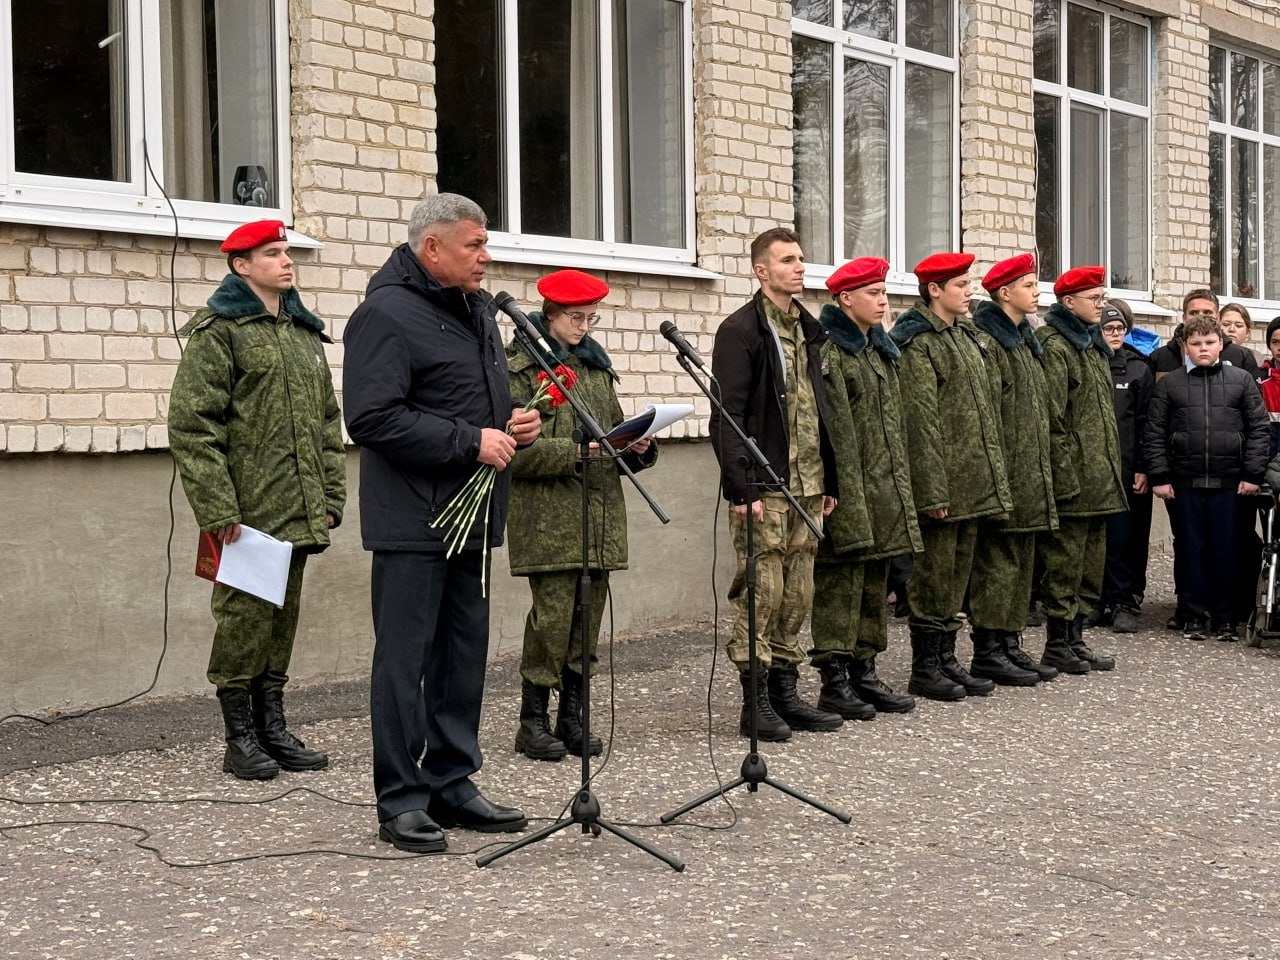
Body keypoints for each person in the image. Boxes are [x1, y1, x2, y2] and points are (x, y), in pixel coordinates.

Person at [343, 194, 541, 853]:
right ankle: (401, 799)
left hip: (475, 516)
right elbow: (370, 419)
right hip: (413, 520)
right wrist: (469, 441)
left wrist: (515, 422)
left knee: (463, 656)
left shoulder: (477, 312)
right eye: (474, 247)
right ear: (433, 249)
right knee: (404, 663)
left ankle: (452, 781)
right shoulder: (385, 315)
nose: (487, 258)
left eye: (486, 247)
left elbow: (472, 401)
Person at [168, 219, 345, 781]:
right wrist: (219, 509)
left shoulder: (300, 334)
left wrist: (331, 495)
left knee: (282, 618)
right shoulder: (220, 333)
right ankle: (238, 736)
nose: (286, 261)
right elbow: (193, 426)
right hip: (245, 514)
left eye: (286, 251)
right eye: (272, 254)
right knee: (243, 620)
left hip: (297, 506)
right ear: (241, 266)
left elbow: (326, 422)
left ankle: (272, 726)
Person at [506, 269, 657, 762]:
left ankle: (573, 715)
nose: (584, 327)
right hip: (549, 521)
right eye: (575, 318)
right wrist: (579, 452)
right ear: (549, 315)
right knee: (550, 622)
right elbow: (513, 453)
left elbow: (611, 435)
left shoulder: (594, 371)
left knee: (586, 622)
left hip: (598, 515)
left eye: (590, 318)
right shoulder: (519, 372)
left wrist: (636, 445)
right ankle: (533, 722)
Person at [710, 227, 842, 742]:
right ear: (761, 271)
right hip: (764, 486)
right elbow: (728, 415)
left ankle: (786, 693)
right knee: (762, 591)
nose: (799, 267)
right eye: (787, 260)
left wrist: (827, 475)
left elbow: (817, 410)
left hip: (807, 485)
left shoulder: (808, 330)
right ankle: (756, 700)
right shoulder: (741, 331)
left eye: (801, 259)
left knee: (798, 591)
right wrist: (742, 488)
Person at [889, 252, 1012, 701]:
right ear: (934, 290)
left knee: (957, 575)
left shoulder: (967, 337)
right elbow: (922, 425)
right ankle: (926, 666)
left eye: (969, 284)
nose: (969, 292)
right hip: (943, 485)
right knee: (933, 577)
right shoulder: (919, 343)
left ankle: (947, 658)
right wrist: (931, 490)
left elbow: (985, 416)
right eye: (960, 285)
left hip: (973, 482)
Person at [809, 257, 921, 720]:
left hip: (884, 489)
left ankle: (865, 670)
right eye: (873, 294)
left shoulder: (879, 350)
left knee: (874, 583)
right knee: (842, 583)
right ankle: (834, 679)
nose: (883, 302)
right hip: (850, 490)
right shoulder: (833, 351)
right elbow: (834, 433)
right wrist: (841, 493)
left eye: (884, 293)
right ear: (844, 299)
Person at [1143, 313, 1269, 641]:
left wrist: (1252, 473)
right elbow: (1154, 431)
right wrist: (1160, 475)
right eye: (1195, 343)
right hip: (1185, 483)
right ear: (1184, 346)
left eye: (1210, 343)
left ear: (1221, 345)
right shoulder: (1170, 384)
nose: (1203, 349)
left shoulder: (1241, 380)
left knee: (1228, 551)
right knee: (1189, 549)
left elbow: (1258, 428)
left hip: (1231, 484)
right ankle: (1192, 614)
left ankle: (1227, 618)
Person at [966, 254, 1059, 686]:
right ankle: (988, 648)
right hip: (1006, 468)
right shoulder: (990, 341)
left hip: (1030, 468)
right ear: (1005, 293)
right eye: (1029, 284)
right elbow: (989, 415)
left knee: (1020, 561)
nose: (1037, 291)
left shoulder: (1024, 340)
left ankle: (1009, 642)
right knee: (997, 563)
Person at [1035, 266, 1127, 673]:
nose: (1101, 305)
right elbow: (1053, 419)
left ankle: (1076, 637)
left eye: (1103, 297)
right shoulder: (1056, 346)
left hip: (1098, 477)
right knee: (1065, 563)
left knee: (1090, 563)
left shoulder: (1092, 347)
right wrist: (1065, 476)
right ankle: (1057, 642)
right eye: (1093, 298)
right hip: (1075, 479)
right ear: (1068, 302)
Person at [1098, 299, 1155, 635]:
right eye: (1109, 329)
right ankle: (1099, 600)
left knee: (1128, 539)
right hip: (1097, 472)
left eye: (1120, 329)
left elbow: (1149, 423)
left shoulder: (1139, 368)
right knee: (1102, 540)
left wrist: (1144, 467)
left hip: (1129, 470)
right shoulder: (1089, 363)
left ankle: (1126, 601)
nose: (1116, 334)